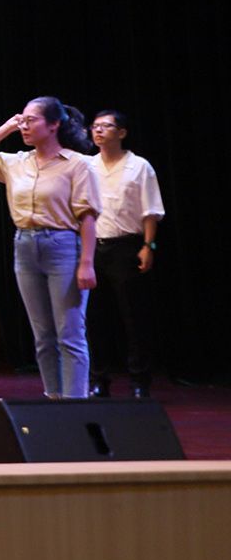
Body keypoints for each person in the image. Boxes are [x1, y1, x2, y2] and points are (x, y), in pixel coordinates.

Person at [0, 98, 101, 399]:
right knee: (42, 334)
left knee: (69, 332)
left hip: (63, 245)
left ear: (54, 125)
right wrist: (8, 126)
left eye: (31, 120)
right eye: (22, 120)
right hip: (25, 245)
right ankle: (53, 397)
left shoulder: (78, 164)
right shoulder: (17, 162)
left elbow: (88, 217)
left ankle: (75, 401)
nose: (24, 126)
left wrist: (86, 262)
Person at [88, 110, 165, 398]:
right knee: (95, 317)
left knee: (134, 317)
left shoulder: (139, 166)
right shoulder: (87, 165)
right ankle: (99, 379)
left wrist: (148, 246)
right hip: (93, 247)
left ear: (121, 133)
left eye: (106, 126)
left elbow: (150, 210)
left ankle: (139, 380)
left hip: (126, 246)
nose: (98, 131)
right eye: (95, 126)